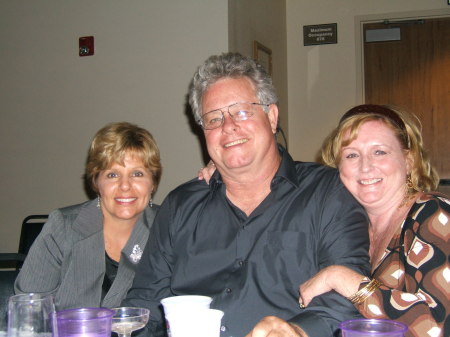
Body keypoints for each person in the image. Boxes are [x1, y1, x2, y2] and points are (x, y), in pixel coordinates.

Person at [122, 52, 371, 337]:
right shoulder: (180, 206)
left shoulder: (327, 193)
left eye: (241, 111)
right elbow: (145, 305)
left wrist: (298, 332)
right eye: (213, 119)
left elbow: (347, 295)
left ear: (272, 116)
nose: (228, 127)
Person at [298, 104, 449, 337]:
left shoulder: (434, 214)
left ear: (408, 160)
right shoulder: (345, 231)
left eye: (379, 152)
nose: (365, 166)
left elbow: (434, 325)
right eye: (351, 155)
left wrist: (340, 278)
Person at [14, 122, 162, 310]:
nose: (125, 185)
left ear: (153, 182)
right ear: (96, 181)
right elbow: (30, 309)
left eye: (137, 173)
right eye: (112, 175)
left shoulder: (168, 227)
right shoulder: (64, 227)